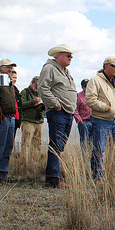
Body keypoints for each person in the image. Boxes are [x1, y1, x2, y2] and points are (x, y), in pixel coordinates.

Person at [38, 44, 77, 189]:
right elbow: (43, 88)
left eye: (71, 56)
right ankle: (55, 179)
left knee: (59, 145)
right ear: (58, 55)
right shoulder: (49, 68)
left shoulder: (66, 71)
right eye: (68, 56)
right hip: (58, 112)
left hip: (67, 112)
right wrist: (55, 104)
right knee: (56, 145)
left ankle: (51, 178)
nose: (70, 58)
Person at [86, 57, 115, 180]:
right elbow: (90, 100)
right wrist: (107, 108)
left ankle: (110, 172)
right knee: (100, 148)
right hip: (101, 120)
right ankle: (97, 175)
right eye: (114, 66)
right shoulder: (95, 81)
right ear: (105, 66)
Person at [0, 59, 18, 183]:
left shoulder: (9, 81)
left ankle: (3, 174)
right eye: (8, 67)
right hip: (2, 118)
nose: (10, 69)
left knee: (8, 147)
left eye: (11, 67)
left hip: (10, 117)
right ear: (1, 67)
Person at [20, 76, 45, 165]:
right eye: (37, 85)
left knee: (37, 144)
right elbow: (21, 105)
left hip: (38, 122)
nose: (38, 87)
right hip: (28, 121)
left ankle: (34, 164)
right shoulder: (24, 92)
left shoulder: (41, 93)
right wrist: (33, 102)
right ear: (32, 83)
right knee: (26, 144)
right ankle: (24, 165)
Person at [73, 79, 92, 150]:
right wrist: (80, 121)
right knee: (84, 143)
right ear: (83, 87)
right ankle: (84, 159)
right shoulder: (79, 97)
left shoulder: (93, 96)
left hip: (93, 122)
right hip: (84, 122)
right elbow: (75, 110)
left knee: (93, 143)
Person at [10, 70, 22, 137]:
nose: (14, 80)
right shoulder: (4, 88)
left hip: (16, 120)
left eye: (15, 78)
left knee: (11, 143)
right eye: (13, 77)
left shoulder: (16, 90)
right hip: (9, 118)